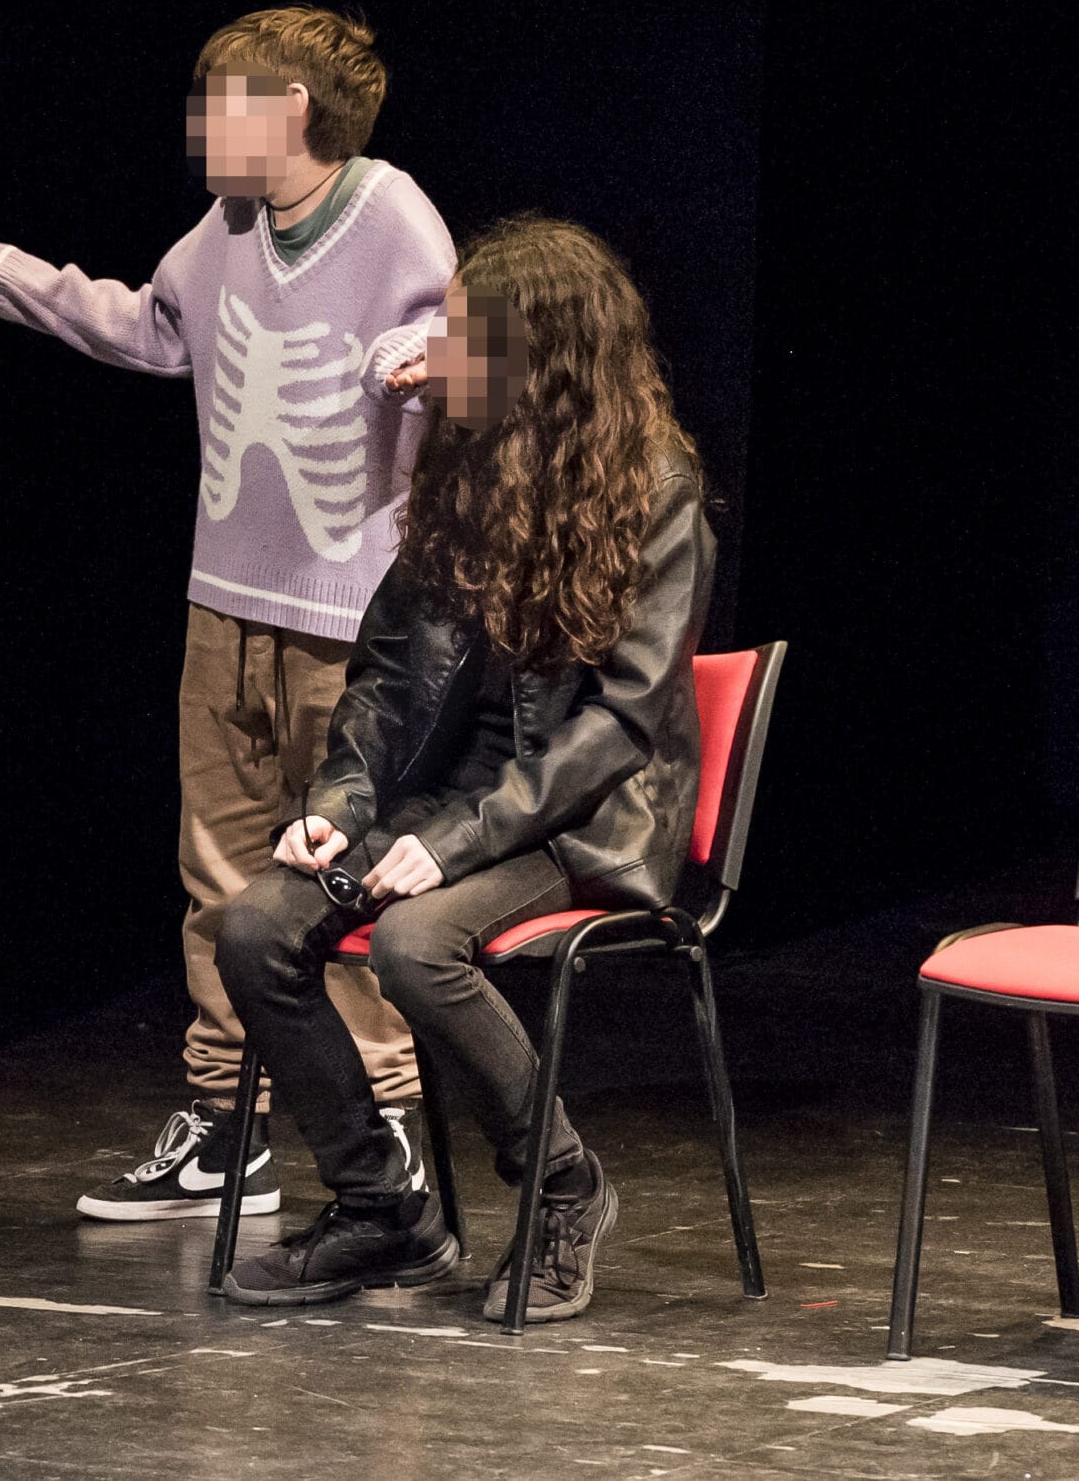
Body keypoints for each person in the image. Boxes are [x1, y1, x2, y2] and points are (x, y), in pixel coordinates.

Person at [0, 9, 452, 1221]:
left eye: (221, 101)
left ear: (293, 112)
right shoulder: (227, 226)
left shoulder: (390, 212)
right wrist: (12, 282)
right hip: (226, 605)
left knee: (350, 873)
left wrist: (418, 359)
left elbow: (460, 342)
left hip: (349, 622)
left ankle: (387, 1119)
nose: (199, 125)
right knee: (215, 876)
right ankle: (225, 1123)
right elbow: (159, 330)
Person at [215, 216, 716, 1323]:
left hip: (577, 815)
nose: (447, 357)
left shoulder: (656, 485)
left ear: (548, 351)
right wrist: (339, 803)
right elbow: (387, 673)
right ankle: (381, 1206)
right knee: (255, 928)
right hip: (443, 800)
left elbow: (621, 721)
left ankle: (563, 1183)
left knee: (415, 942)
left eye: (469, 337)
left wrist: (448, 843)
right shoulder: (466, 461)